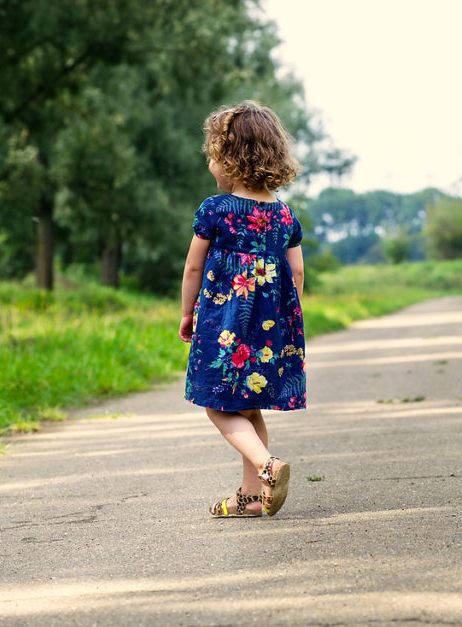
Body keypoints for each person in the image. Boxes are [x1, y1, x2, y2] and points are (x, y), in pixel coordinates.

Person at [179, 101, 306, 518]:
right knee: (248, 408)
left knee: (218, 403)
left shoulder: (215, 211)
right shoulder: (283, 214)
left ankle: (267, 465)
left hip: (224, 326)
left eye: (213, 154)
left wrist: (187, 312)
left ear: (230, 160)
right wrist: (289, 322)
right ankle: (251, 499)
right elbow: (297, 272)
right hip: (271, 327)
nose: (211, 163)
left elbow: (194, 266)